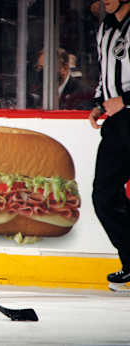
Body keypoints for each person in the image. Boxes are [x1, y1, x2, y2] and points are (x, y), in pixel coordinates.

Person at [89, 0, 130, 291]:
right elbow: (106, 73)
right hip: (117, 123)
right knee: (104, 195)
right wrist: (98, 103)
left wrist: (126, 100)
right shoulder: (105, 27)